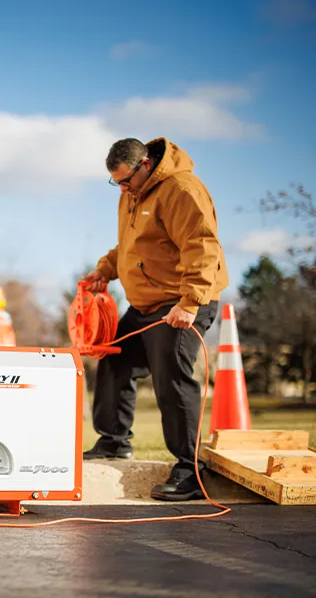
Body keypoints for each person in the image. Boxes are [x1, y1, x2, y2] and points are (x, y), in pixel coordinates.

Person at [82, 137, 229, 501]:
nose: (122, 188)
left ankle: (190, 470)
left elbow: (202, 245)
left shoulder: (181, 189)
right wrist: (105, 270)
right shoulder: (132, 194)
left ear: (145, 163)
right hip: (146, 302)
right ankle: (114, 442)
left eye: (126, 180)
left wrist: (190, 302)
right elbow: (132, 246)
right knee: (115, 358)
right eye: (116, 182)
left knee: (172, 378)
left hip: (183, 300)